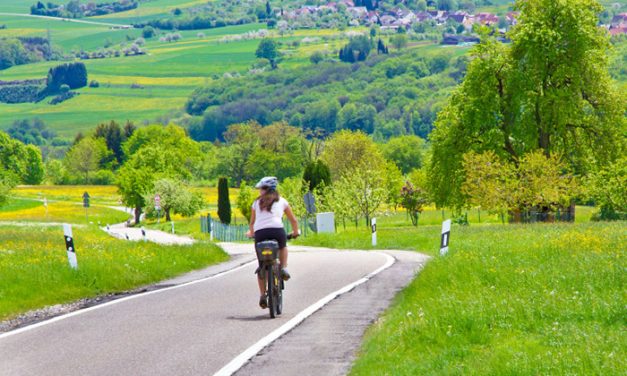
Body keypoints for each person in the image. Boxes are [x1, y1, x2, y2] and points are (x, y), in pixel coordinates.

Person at [245, 176, 299, 309]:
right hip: (277, 231)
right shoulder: (282, 201)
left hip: (261, 234)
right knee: (283, 246)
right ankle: (284, 268)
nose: (259, 191)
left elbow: (252, 222)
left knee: (261, 265)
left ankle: (263, 295)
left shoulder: (256, 203)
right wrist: (295, 232)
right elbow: (293, 221)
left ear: (266, 189)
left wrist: (251, 233)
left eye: (261, 188)